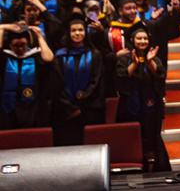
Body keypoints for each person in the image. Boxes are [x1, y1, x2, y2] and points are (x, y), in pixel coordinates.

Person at [115, 25, 170, 171]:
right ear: (132, 40)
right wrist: (134, 63)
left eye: (145, 38)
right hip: (130, 105)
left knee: (151, 137)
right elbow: (122, 76)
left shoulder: (154, 57)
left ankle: (153, 168)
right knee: (131, 137)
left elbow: (159, 75)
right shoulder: (124, 58)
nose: (143, 41)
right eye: (139, 38)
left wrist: (150, 61)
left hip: (150, 105)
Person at [53, 15, 104, 145]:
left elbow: (96, 80)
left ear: (85, 32)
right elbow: (57, 82)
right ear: (68, 33)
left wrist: (84, 96)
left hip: (90, 108)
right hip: (65, 109)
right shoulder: (60, 55)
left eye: (81, 30)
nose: (77, 33)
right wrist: (69, 105)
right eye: (74, 30)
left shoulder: (94, 54)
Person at [0, 24, 54, 129]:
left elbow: (49, 58)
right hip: (9, 108)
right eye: (16, 45)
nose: (20, 48)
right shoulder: (5, 58)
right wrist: (3, 28)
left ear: (28, 43)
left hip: (33, 108)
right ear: (10, 45)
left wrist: (39, 35)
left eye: (23, 45)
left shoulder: (35, 56)